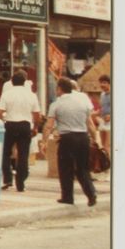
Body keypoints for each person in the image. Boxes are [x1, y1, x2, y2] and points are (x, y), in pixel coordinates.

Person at [43, 78, 98, 207]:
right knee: (83, 169)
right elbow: (90, 123)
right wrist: (95, 139)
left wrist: (44, 141)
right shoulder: (82, 102)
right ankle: (91, 193)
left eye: (57, 88)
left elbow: (48, 125)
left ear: (60, 89)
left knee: (65, 168)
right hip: (83, 137)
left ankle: (67, 196)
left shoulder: (56, 104)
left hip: (67, 138)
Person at [0, 70, 39, 192]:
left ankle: (8, 178)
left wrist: (1, 122)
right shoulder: (32, 95)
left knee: (5, 153)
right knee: (23, 155)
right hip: (25, 125)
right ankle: (21, 183)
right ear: (25, 82)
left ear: (12, 82)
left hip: (10, 124)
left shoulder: (7, 94)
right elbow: (36, 113)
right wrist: (35, 127)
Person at [96, 76, 111, 153]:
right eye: (101, 83)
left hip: (111, 123)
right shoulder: (102, 95)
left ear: (109, 84)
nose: (102, 85)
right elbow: (101, 108)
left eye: (104, 83)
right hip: (102, 121)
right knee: (102, 145)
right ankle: (106, 163)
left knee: (107, 145)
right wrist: (94, 113)